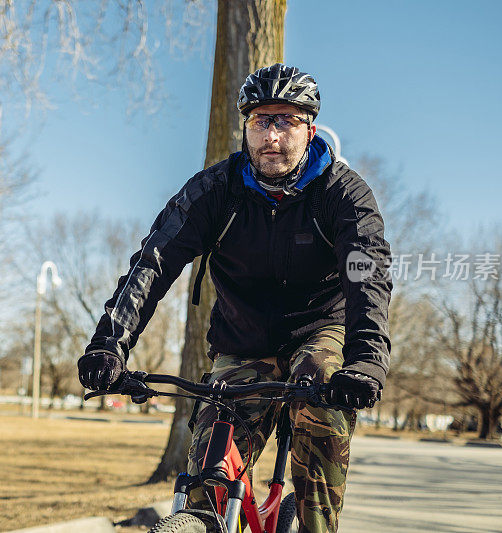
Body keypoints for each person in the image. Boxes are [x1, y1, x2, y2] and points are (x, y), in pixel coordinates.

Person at [78, 63, 392, 532]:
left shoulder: (343, 193)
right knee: (206, 479)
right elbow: (153, 263)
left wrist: (366, 360)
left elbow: (366, 276)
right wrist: (110, 343)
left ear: (310, 129)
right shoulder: (214, 191)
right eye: (261, 120)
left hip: (319, 332)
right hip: (241, 342)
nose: (272, 135)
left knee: (323, 406)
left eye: (286, 120)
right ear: (246, 127)